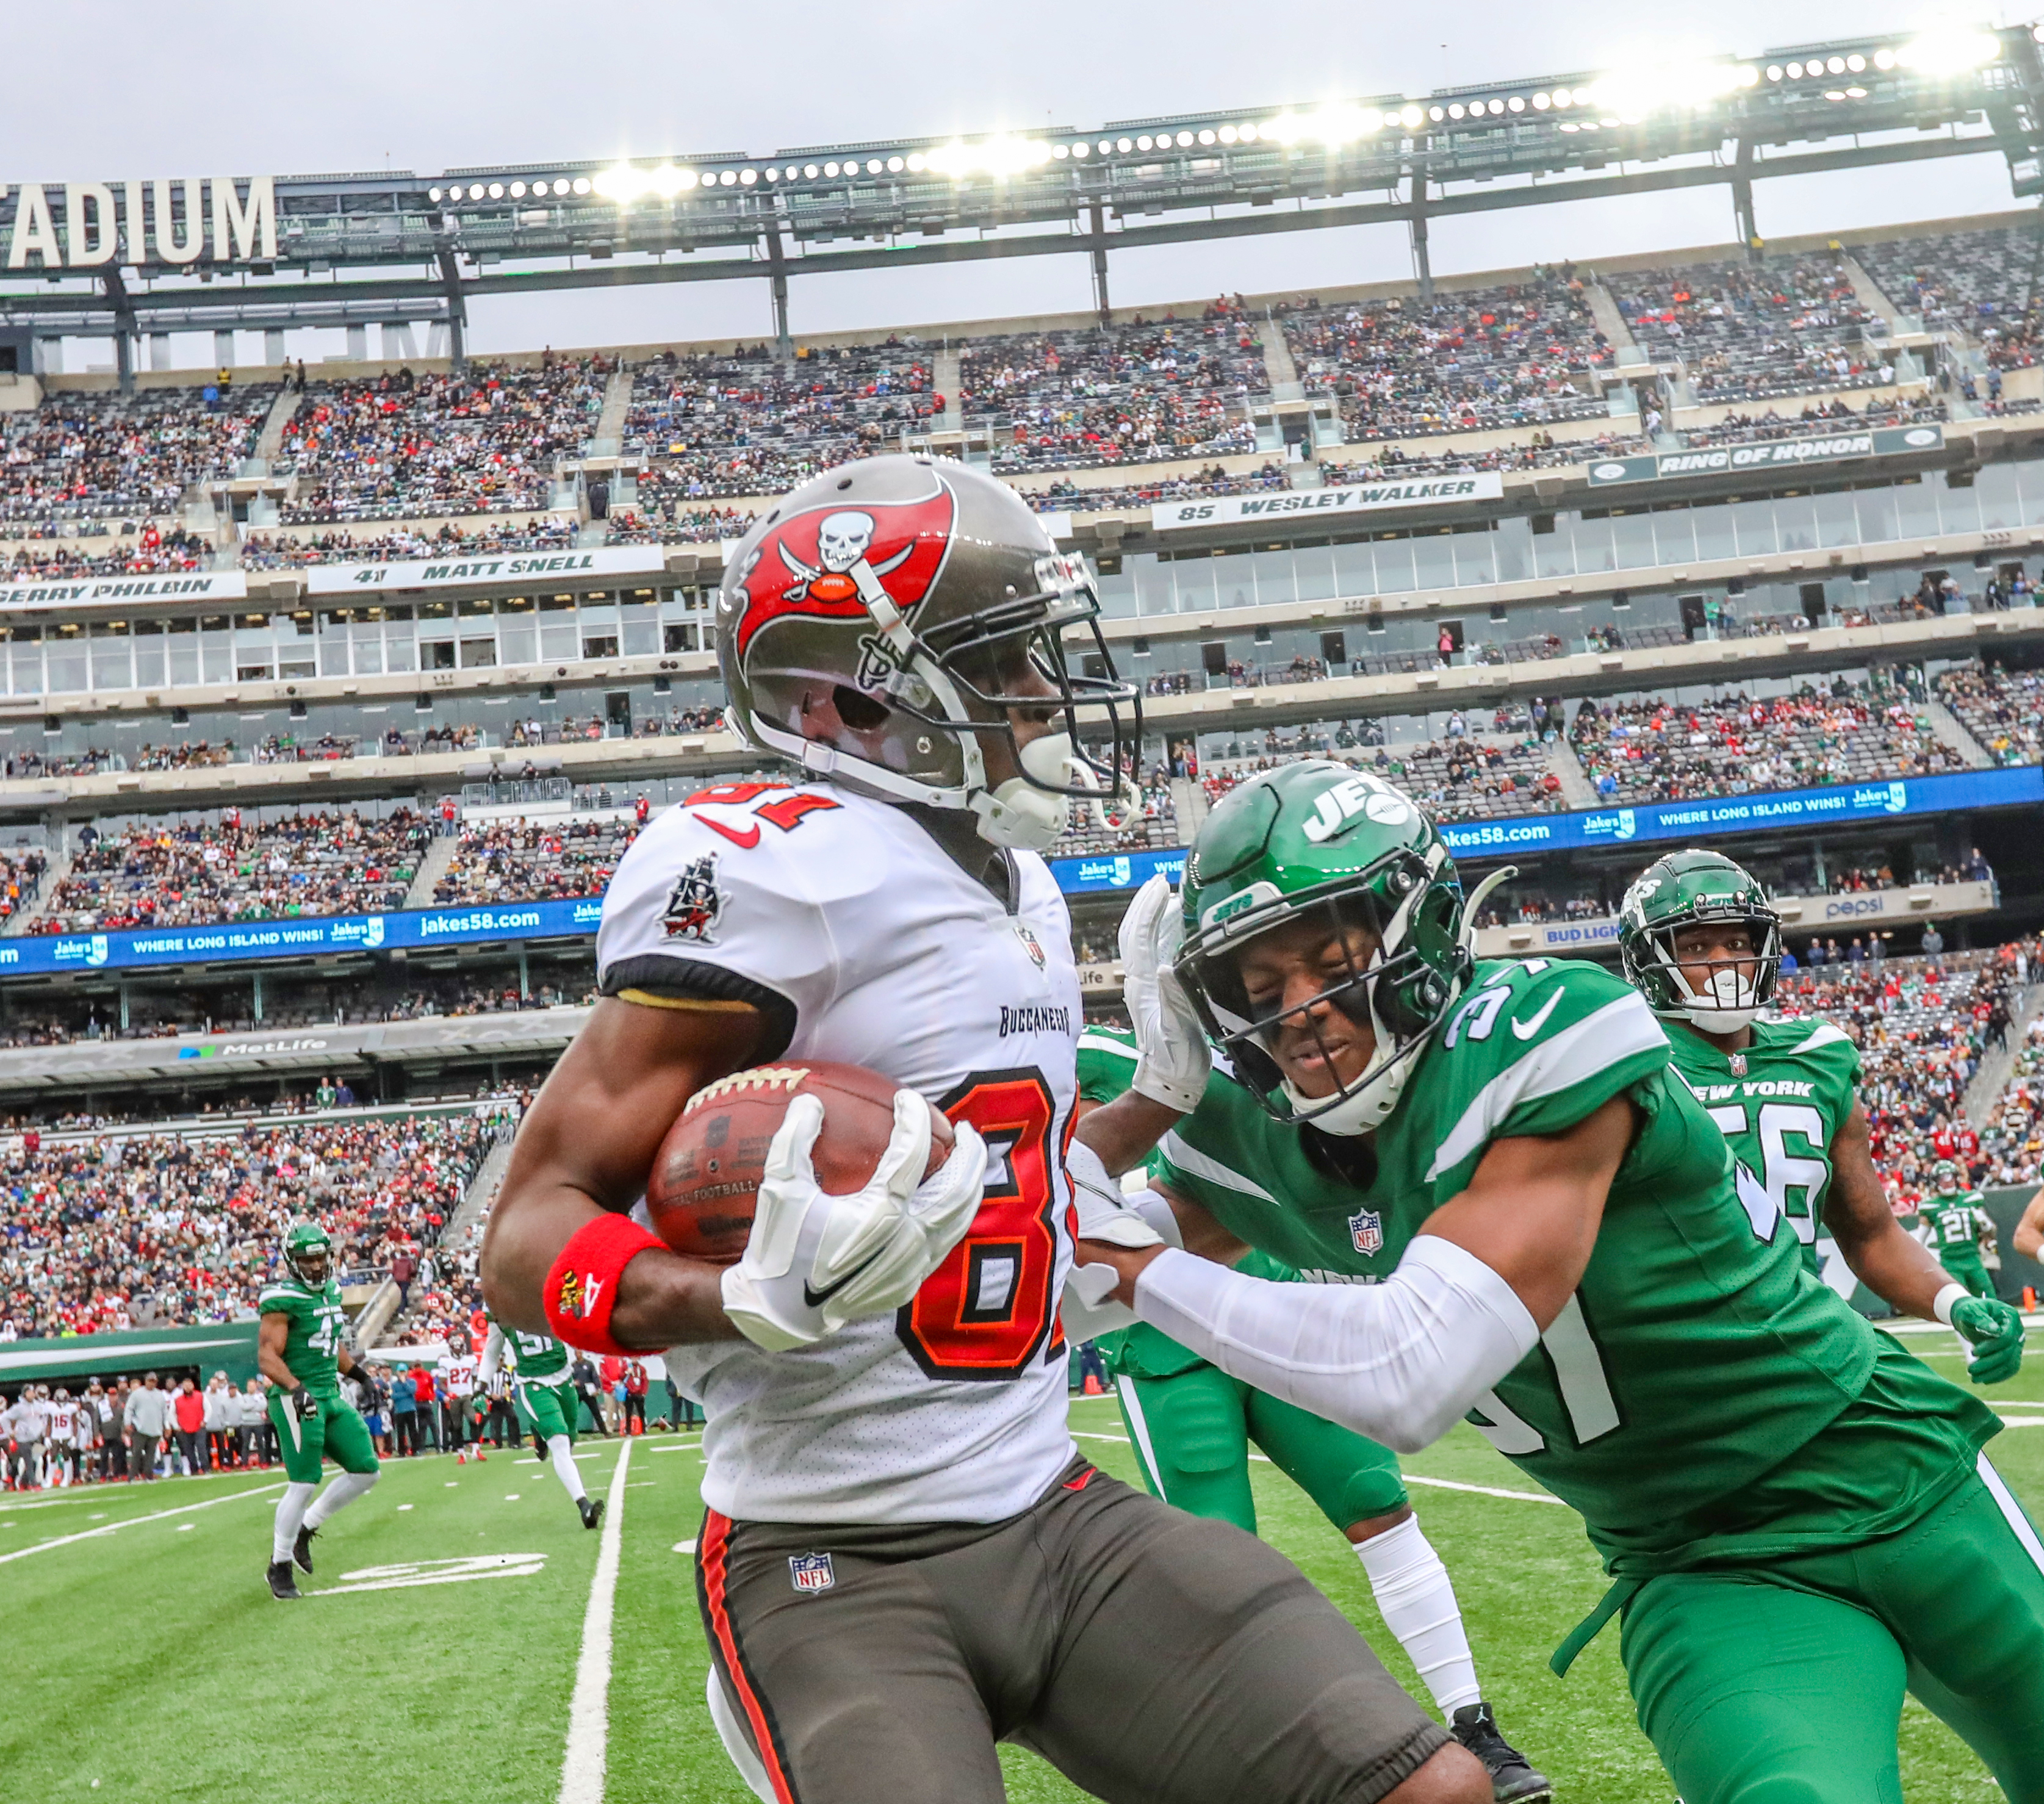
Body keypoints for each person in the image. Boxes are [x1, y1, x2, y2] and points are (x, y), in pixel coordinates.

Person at [479, 460, 1483, 1804]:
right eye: (1002, 658)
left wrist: (1142, 1126)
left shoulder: (1015, 873)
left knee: (1427, 1790)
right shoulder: (775, 868)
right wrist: (734, 1292)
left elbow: (1010, 1169)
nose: (1043, 690)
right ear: (855, 694)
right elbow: (527, 1230)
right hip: (827, 1553)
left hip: (1043, 1502)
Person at [1074, 760, 2044, 1804]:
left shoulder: (1547, 1029)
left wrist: (1134, 1266)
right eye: (1258, 990)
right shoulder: (1252, 1135)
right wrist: (1148, 1102)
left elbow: (1406, 1373)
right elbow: (1053, 1267)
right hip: (1709, 1564)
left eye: (1331, 957)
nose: (1302, 1012)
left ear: (1422, 927)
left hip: (1898, 1480)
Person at [1075, 1021, 1545, 1799]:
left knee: (1374, 1501)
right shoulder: (935, 1086)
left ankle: (1472, 1724)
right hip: (1159, 1339)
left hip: (1267, 1296)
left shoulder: (1097, 1050)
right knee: (1217, 1561)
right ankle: (1260, 1763)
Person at [1615, 847, 2029, 1385]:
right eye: (1696, 945)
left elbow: (1871, 1234)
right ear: (1646, 960)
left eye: (1738, 941)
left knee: (1949, 1451)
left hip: (1804, 1340)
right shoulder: (1623, 1066)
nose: (1724, 961)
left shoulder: (1819, 1055)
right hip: (1680, 1363)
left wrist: (1954, 1302)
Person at [260, 1222, 382, 1600]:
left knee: (366, 1471)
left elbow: (329, 1345)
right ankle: (278, 1566)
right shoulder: (281, 1298)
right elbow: (267, 1356)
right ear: (292, 1262)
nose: (315, 1266)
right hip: (294, 1396)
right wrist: (296, 1390)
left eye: (320, 1258)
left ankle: (305, 1530)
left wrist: (361, 1376)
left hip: (329, 1393)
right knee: (304, 1481)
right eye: (307, 1260)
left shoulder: (331, 1289)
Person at [478, 1321, 601, 1530]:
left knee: (569, 1440)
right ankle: (584, 1506)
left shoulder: (549, 1291)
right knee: (560, 1443)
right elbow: (491, 1353)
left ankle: (539, 1433)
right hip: (533, 1383)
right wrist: (480, 1388)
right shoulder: (502, 1306)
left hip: (564, 1378)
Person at [1909, 1160, 2003, 1304]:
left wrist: (1985, 1224)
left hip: (1974, 1259)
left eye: (1950, 1177)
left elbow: (1991, 1233)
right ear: (1936, 1182)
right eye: (1943, 1178)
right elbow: (1919, 1240)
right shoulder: (1930, 1206)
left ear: (1957, 1178)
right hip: (1950, 1262)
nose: (1948, 1182)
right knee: (1960, 1303)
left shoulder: (1971, 1199)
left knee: (1990, 1299)